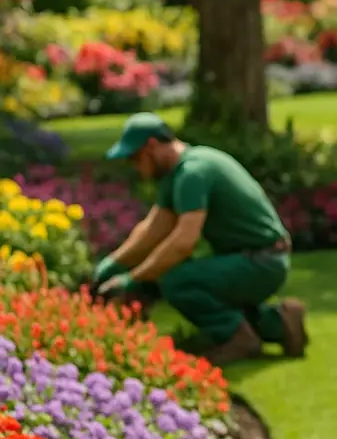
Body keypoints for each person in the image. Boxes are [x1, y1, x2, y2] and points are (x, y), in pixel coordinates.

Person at [91, 111, 308, 365]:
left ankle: (238, 339)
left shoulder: (193, 172)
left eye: (135, 159)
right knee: (183, 277)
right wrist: (114, 262)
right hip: (252, 258)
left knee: (177, 281)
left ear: (152, 146)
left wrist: (132, 278)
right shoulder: (179, 173)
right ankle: (279, 323)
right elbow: (153, 229)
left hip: (263, 262)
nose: (135, 167)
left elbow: (184, 242)